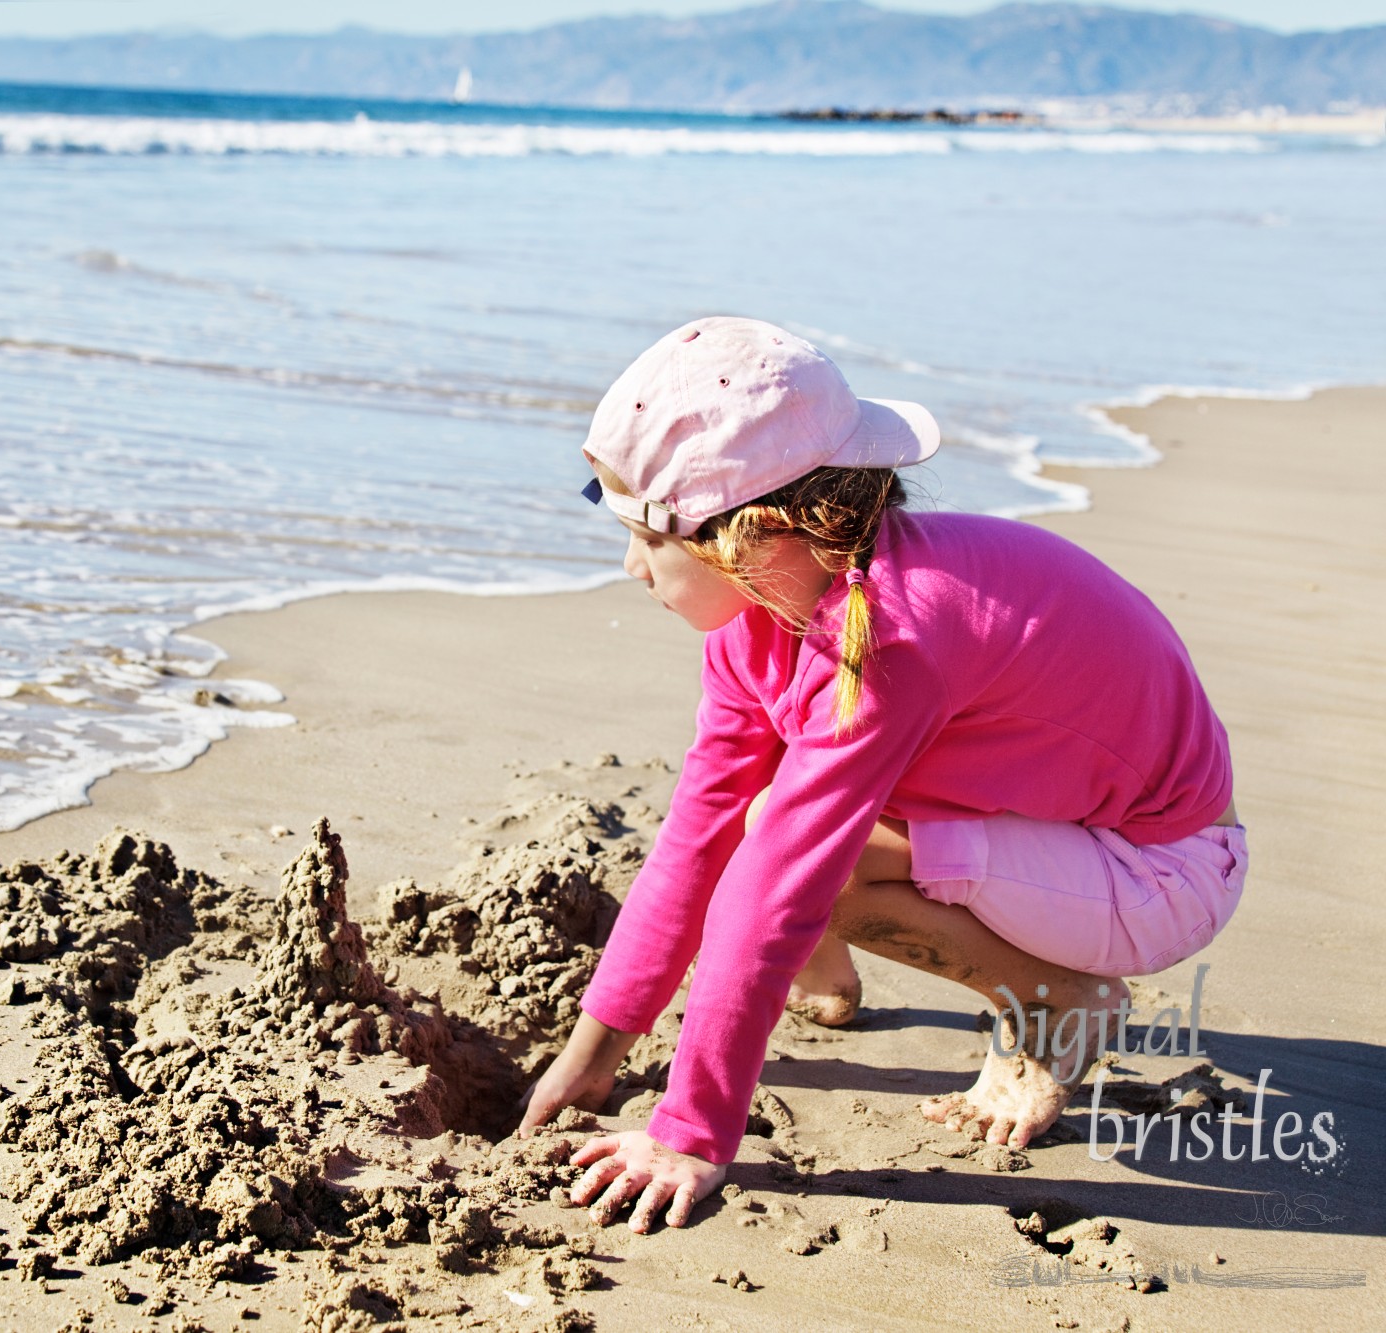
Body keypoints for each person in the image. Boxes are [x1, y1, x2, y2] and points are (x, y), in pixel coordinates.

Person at [516, 317, 1244, 1236]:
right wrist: (593, 1053)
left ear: (758, 533)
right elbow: (693, 836)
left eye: (649, 536)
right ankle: (831, 983)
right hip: (1044, 825)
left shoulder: (889, 640)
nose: (632, 566)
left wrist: (692, 1132)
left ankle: (1060, 996)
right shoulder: (764, 618)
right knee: (761, 822)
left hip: (1161, 868)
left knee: (792, 852)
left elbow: (774, 883)